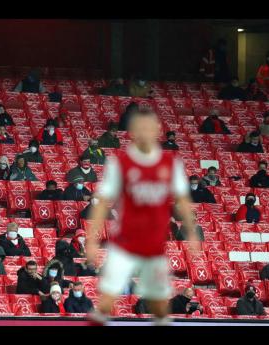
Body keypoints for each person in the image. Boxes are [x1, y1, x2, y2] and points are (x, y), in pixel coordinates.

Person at [85, 108, 199, 326]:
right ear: (132, 132)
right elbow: (101, 202)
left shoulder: (170, 163)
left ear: (158, 130)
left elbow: (183, 200)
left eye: (149, 127)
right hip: (124, 242)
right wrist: (92, 239)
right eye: (140, 128)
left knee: (160, 310)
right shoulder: (119, 163)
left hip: (155, 245)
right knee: (104, 305)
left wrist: (192, 232)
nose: (145, 132)